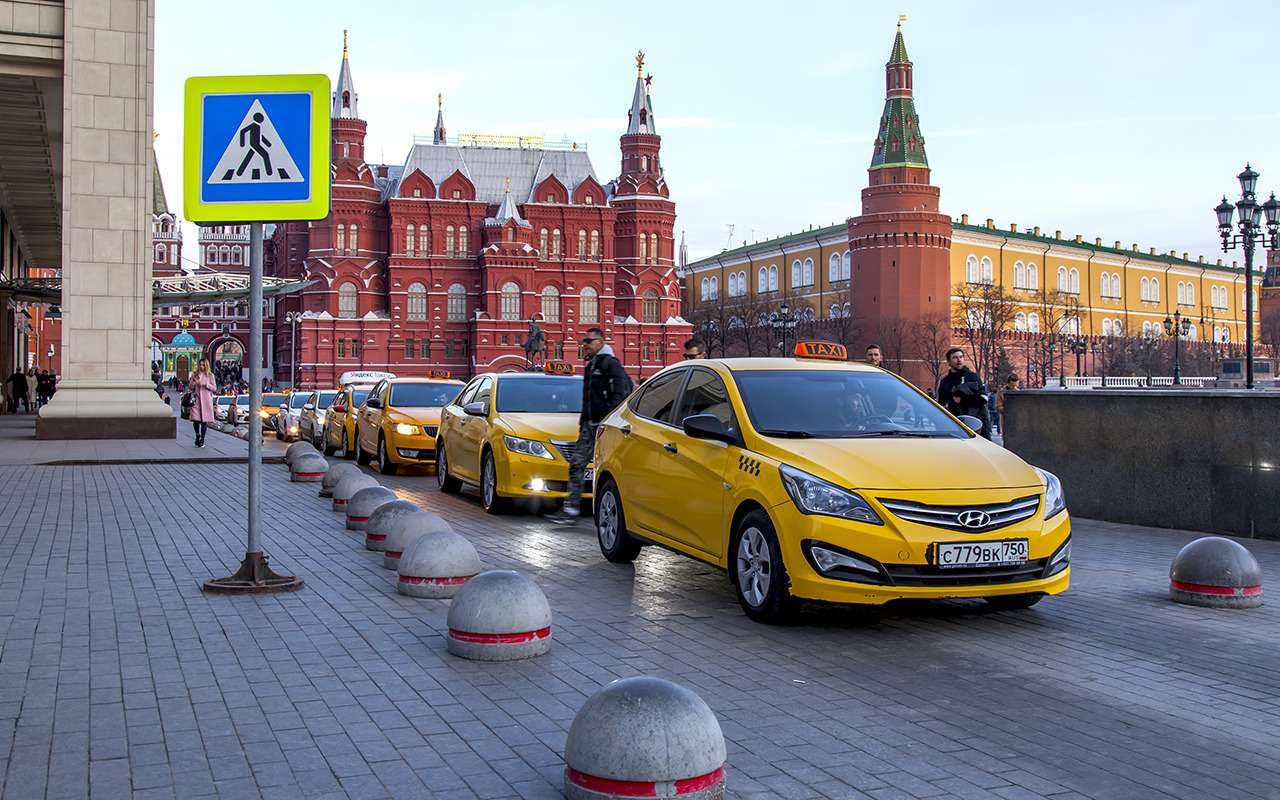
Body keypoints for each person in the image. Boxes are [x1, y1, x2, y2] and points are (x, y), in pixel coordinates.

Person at [548, 327, 632, 525]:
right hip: (589, 426)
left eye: (588, 341)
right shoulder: (591, 365)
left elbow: (621, 393)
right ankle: (571, 509)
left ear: (600, 342)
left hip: (605, 427)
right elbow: (587, 400)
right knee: (577, 464)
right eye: (584, 341)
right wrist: (583, 424)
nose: (584, 345)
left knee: (611, 469)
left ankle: (616, 512)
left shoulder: (610, 364)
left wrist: (608, 421)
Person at [937, 347, 991, 439]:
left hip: (975, 424)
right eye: (955, 357)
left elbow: (983, 398)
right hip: (954, 425)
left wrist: (963, 400)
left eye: (961, 357)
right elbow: (941, 403)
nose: (959, 360)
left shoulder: (972, 377)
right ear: (948, 362)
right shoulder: (945, 382)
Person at [187, 358, 217, 447]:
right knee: (195, 420)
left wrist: (206, 385)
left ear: (206, 366)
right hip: (196, 400)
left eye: (203, 365)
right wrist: (194, 383)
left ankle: (202, 439)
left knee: (204, 421)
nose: (201, 366)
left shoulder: (210, 375)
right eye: (200, 365)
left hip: (206, 401)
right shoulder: (195, 375)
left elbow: (214, 388)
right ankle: (197, 435)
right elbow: (190, 387)